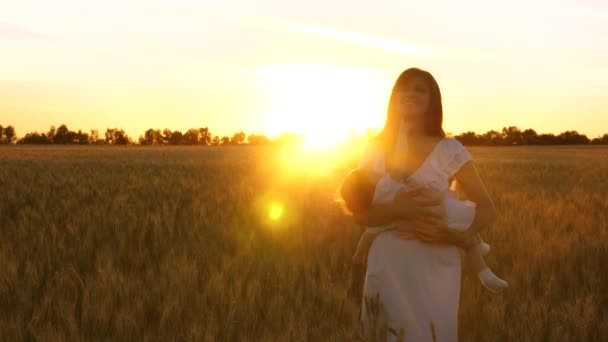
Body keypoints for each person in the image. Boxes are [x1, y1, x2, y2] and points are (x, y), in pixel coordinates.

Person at [348, 67, 501, 341]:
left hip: (436, 263)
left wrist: (457, 236)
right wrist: (402, 209)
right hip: (388, 262)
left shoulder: (450, 149)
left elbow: (487, 207)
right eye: (404, 88)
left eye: (421, 89)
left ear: (434, 99)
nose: (411, 94)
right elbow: (361, 214)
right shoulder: (375, 147)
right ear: (394, 98)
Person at [339, 165, 508, 293]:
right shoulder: (385, 185)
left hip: (425, 222)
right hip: (437, 208)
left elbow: (368, 235)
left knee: (464, 233)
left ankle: (483, 266)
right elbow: (401, 171)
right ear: (368, 183)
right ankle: (483, 266)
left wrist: (358, 255)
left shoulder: (378, 208)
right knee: (467, 234)